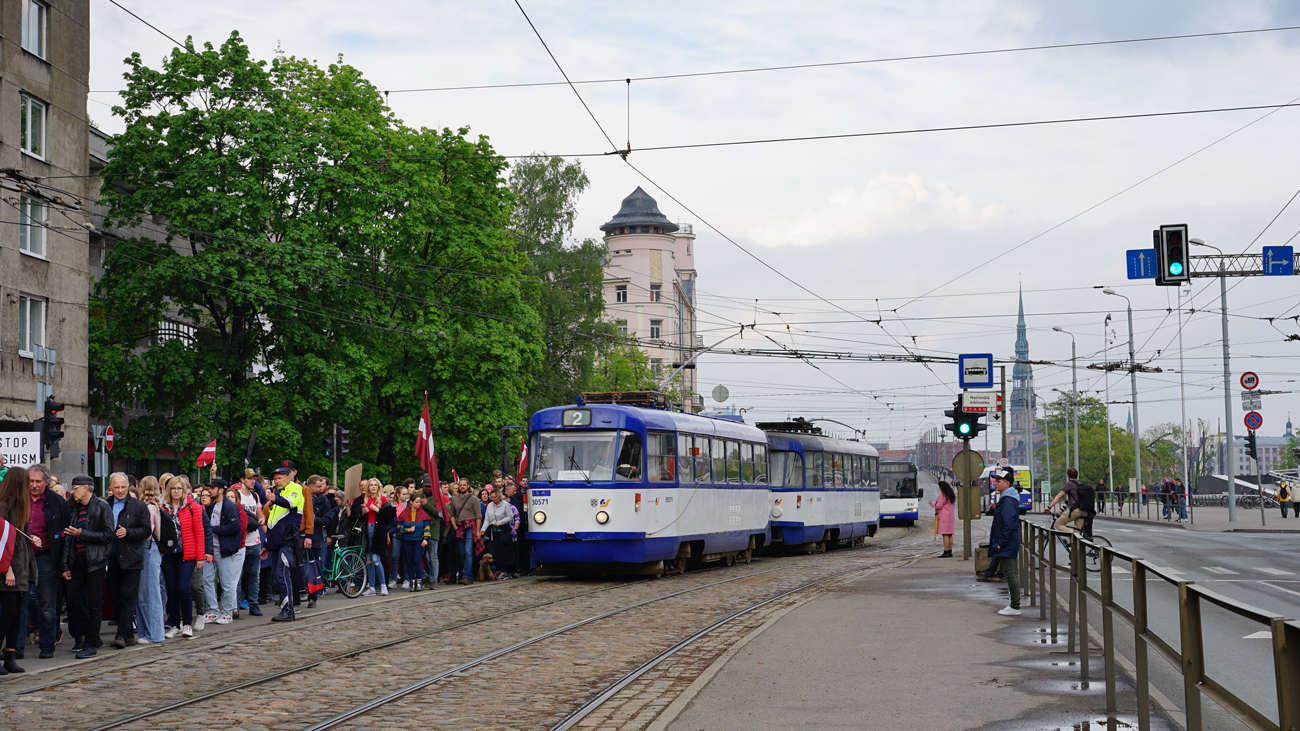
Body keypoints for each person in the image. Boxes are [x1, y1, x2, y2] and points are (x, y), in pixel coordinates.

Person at [61, 475, 113, 659]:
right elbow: (69, 538)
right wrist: (65, 564)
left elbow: (108, 535)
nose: (72, 491)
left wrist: (82, 533)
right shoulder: (76, 509)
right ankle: (93, 634)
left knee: (94, 603)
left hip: (96, 562)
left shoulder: (102, 506)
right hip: (78, 562)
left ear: (86, 487)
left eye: (75, 488)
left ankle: (90, 643)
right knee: (73, 600)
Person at [24, 464, 69, 659]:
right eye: (31, 481)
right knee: (21, 603)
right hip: (22, 558)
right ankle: (16, 647)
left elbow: (65, 532)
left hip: (46, 558)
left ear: (46, 482)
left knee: (47, 606)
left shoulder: (57, 502)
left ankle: (47, 645)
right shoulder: (19, 499)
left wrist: (62, 562)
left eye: (38, 481)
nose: (34, 485)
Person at [104, 472, 153, 649]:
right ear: (110, 488)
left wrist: (128, 533)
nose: (120, 490)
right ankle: (127, 634)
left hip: (131, 557)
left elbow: (146, 530)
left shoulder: (138, 506)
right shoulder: (105, 505)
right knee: (115, 596)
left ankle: (122, 634)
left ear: (128, 486)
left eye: (123, 486)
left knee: (128, 595)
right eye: (116, 487)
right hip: (111, 556)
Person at [1, 467, 39, 673]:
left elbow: (20, 537)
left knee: (17, 614)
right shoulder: (4, 507)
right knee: (9, 612)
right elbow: (3, 542)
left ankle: (10, 655)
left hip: (22, 567)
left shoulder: (20, 506)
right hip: (10, 569)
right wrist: (7, 569)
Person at [160, 476, 203, 638]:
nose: (176, 492)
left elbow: (199, 533)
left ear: (184, 490)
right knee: (171, 589)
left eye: (179, 488)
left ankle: (187, 624)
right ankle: (175, 624)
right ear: (168, 490)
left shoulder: (193, 507)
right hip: (169, 554)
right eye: (173, 488)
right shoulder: (163, 507)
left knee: (183, 588)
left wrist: (200, 557)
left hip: (187, 554)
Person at [264, 466, 304, 621]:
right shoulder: (277, 493)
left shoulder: (295, 489)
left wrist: (276, 499)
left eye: (280, 477)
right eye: (275, 478)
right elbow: (273, 522)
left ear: (289, 477)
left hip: (288, 542)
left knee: (282, 575)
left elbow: (291, 502)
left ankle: (288, 610)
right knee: (278, 576)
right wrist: (267, 545)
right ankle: (286, 608)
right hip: (276, 543)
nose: (277, 481)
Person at [205, 479, 245, 624]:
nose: (210, 490)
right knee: (207, 579)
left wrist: (212, 529)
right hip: (212, 549)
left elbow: (234, 527)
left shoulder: (229, 506)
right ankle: (213, 610)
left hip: (224, 550)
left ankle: (227, 612)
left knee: (226, 583)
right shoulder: (213, 505)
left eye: (213, 488)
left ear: (221, 490)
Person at [984, 466, 1022, 616]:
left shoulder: (1008, 500)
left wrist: (1001, 542)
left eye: (998, 481)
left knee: (1010, 574)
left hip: (1007, 543)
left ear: (1007, 483)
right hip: (1007, 542)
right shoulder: (1007, 499)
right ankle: (1014, 605)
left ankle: (1015, 606)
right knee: (1010, 573)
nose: (995, 483)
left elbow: (1009, 523)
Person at [135, 477, 166, 644]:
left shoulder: (147, 508)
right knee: (147, 593)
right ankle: (147, 632)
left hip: (147, 549)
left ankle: (153, 633)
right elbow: (158, 534)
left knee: (148, 593)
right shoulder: (156, 507)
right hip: (151, 549)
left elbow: (149, 533)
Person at [236, 470, 264, 616]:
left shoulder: (255, 495)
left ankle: (253, 604)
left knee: (254, 575)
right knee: (238, 577)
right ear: (242, 479)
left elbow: (259, 511)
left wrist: (262, 518)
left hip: (254, 540)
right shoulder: (237, 495)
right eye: (249, 479)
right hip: (241, 542)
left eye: (254, 479)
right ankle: (235, 606)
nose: (252, 481)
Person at [396, 493, 431, 591]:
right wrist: (407, 530)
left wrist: (425, 539)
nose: (419, 504)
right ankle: (412, 582)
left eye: (420, 502)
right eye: (416, 502)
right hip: (407, 540)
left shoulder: (422, 513)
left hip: (419, 540)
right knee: (409, 561)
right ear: (411, 502)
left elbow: (426, 527)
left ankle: (419, 581)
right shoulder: (404, 513)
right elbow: (399, 527)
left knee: (417, 560)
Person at [480, 489, 517, 579]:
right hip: (493, 530)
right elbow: (487, 519)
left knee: (504, 551)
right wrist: (483, 529)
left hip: (503, 529)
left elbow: (510, 516)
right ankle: (497, 569)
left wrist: (500, 522)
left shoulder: (505, 505)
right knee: (494, 550)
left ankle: (504, 570)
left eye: (495, 497)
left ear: (498, 497)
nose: (493, 499)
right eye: (491, 497)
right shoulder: (489, 505)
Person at [1044, 468, 1092, 536]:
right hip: (1084, 510)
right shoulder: (1080, 484)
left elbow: (1059, 496)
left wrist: (1049, 507)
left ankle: (1072, 537)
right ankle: (1075, 542)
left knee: (1058, 524)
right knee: (1077, 534)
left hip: (1076, 510)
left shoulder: (1069, 484)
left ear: (1068, 476)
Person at [450, 481, 481, 585]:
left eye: (464, 485)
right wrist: (455, 527)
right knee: (462, 552)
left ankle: (466, 575)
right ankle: (468, 574)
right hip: (460, 526)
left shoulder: (473, 499)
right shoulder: (454, 499)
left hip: (470, 526)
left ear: (468, 486)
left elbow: (478, 516)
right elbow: (452, 515)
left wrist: (477, 531)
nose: (462, 487)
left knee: (468, 551)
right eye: (460, 485)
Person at [929, 480, 956, 558]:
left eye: (939, 487)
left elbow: (939, 506)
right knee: (950, 534)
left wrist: (932, 503)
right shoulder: (951, 495)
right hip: (950, 516)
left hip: (944, 516)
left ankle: (946, 551)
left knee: (944, 534)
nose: (939, 488)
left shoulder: (943, 495)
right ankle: (950, 551)